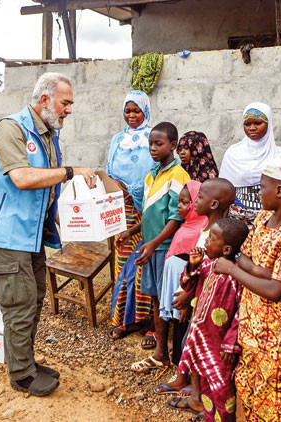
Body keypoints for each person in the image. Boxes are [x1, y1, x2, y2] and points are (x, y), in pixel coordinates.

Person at [0, 72, 95, 397]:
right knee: (19, 303)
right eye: (65, 103)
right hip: (5, 235)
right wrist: (71, 172)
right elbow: (23, 178)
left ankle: (25, 361)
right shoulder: (10, 129)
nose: (69, 110)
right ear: (45, 100)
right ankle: (21, 375)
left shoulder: (48, 134)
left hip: (31, 234)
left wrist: (73, 219)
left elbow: (47, 189)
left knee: (34, 297)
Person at [215, 158, 281, 421]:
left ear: (280, 191)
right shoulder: (263, 218)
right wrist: (265, 273)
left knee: (271, 401)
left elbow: (274, 291)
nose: (258, 193)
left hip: (277, 336)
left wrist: (233, 270)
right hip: (252, 325)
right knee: (247, 389)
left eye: (262, 187)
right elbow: (244, 257)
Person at [154, 178, 236, 398]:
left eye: (199, 198)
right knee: (188, 341)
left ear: (214, 204)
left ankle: (196, 391)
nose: (194, 202)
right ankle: (184, 381)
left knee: (197, 344)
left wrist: (189, 297)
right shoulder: (206, 230)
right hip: (196, 300)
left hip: (206, 305)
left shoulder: (219, 236)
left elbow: (211, 275)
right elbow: (197, 268)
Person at [169, 218, 249, 422]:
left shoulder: (235, 277)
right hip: (200, 338)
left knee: (222, 389)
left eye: (211, 238)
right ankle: (209, 417)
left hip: (219, 347)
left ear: (226, 249)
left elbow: (242, 312)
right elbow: (187, 286)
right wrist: (192, 266)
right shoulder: (206, 265)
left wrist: (231, 343)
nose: (205, 241)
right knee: (205, 384)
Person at [132, 181, 206, 372]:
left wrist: (186, 294)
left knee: (184, 325)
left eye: (184, 203)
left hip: (186, 292)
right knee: (178, 323)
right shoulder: (188, 224)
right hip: (177, 288)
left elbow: (196, 269)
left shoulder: (201, 231)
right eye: (179, 202)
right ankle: (172, 359)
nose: (178, 206)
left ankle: (182, 370)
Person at [135, 122, 190, 360]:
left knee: (166, 298)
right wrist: (132, 231)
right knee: (156, 298)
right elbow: (150, 212)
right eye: (150, 144)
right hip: (151, 245)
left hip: (164, 248)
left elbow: (176, 218)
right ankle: (160, 350)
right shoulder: (151, 174)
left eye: (159, 144)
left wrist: (154, 244)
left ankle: (165, 351)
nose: (153, 148)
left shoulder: (179, 175)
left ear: (173, 145)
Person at [107, 90, 156, 341]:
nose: (132, 115)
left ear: (145, 111)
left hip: (149, 210)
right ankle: (125, 320)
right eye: (128, 111)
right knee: (123, 266)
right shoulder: (117, 140)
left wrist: (135, 190)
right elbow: (109, 172)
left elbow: (158, 171)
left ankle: (150, 321)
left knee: (146, 265)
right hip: (122, 211)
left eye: (137, 110)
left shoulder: (154, 138)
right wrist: (117, 186)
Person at [219, 102, 281, 226]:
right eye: (247, 124)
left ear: (268, 124)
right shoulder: (233, 153)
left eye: (258, 123)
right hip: (237, 223)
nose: (252, 128)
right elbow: (223, 190)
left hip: (271, 223)